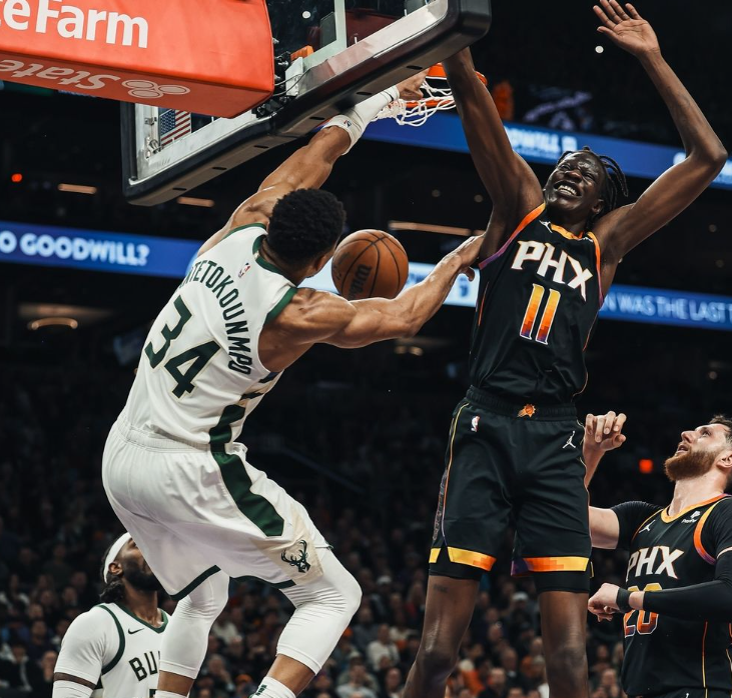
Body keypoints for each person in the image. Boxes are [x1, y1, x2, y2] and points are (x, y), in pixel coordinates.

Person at [102, 72, 484, 698]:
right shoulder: (299, 313)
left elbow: (318, 154)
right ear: (323, 260)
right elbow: (404, 316)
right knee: (334, 595)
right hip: (189, 468)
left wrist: (380, 100)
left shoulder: (242, 225)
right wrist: (457, 259)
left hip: (121, 455)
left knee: (202, 595)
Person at [404, 3, 728, 698]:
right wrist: (451, 23)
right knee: (435, 653)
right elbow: (471, 95)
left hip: (555, 436)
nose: (569, 174)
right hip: (486, 422)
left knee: (570, 660)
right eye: (565, 166)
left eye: (586, 174)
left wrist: (651, 57)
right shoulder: (517, 206)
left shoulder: (605, 246)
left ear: (605, 203)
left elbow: (708, 158)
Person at [584, 410, 732, 698]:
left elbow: (729, 594)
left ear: (727, 459)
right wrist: (592, 451)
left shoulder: (724, 512)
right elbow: (561, 518)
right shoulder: (641, 518)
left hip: (697, 688)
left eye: (705, 433)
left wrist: (628, 599)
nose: (686, 434)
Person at [52, 532, 167, 698]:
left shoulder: (178, 626)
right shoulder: (95, 624)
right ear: (116, 567)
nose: (151, 550)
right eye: (137, 544)